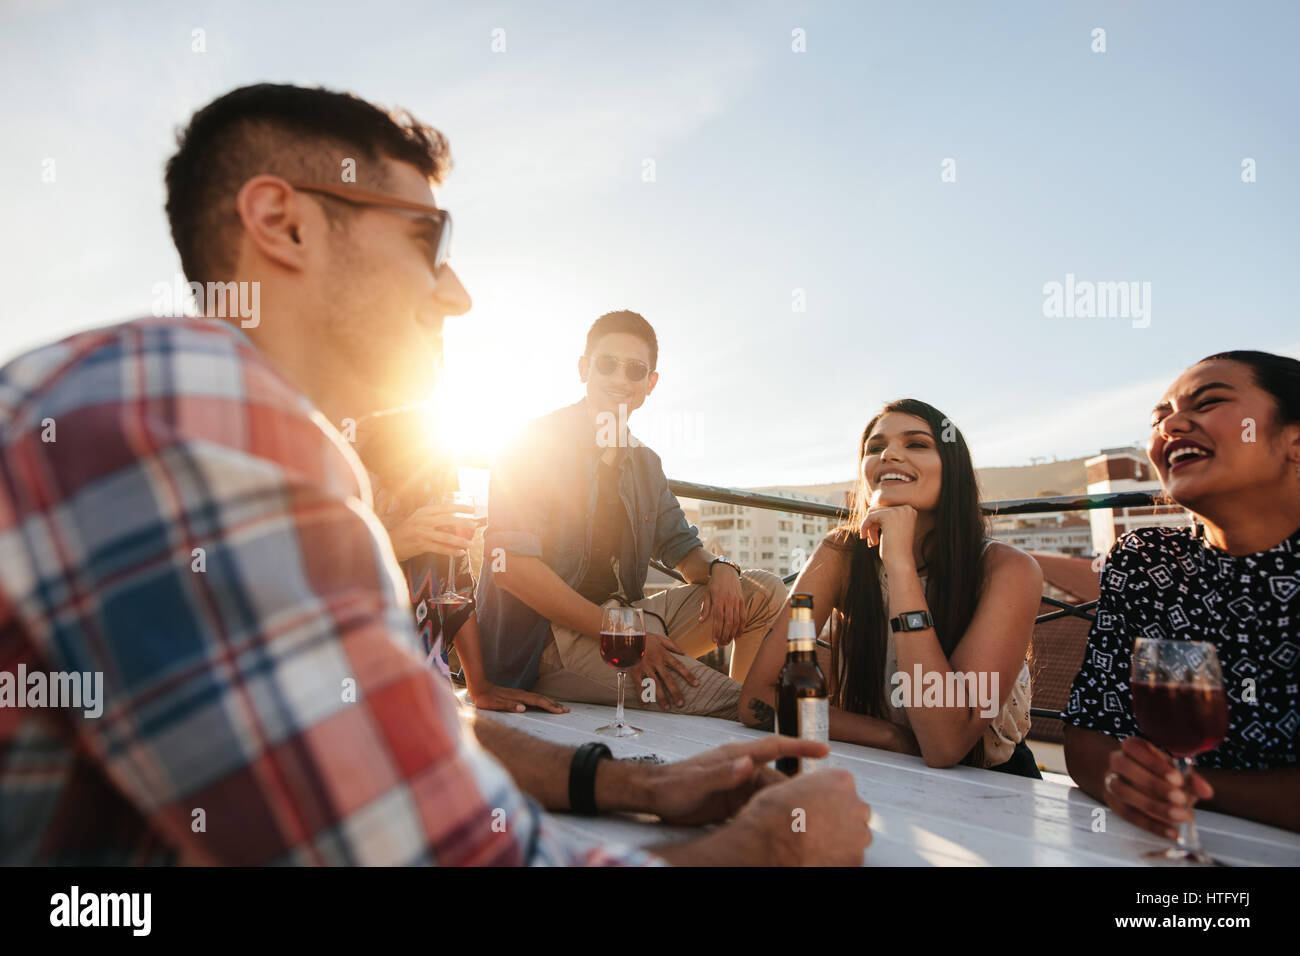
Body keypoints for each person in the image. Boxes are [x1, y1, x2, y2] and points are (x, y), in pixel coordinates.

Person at [0, 83, 873, 865]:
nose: (456, 293)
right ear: (285, 223)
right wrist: (769, 850)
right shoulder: (176, 422)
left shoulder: (221, 420)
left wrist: (629, 785)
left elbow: (392, 728)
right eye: (427, 237)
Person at [475, 310, 786, 719]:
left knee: (763, 591)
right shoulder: (533, 443)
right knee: (728, 701)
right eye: (607, 364)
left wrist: (722, 567)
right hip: (544, 643)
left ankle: (748, 711)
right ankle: (747, 714)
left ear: (650, 384)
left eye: (636, 370)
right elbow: (510, 569)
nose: (621, 379)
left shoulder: (646, 464)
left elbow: (684, 549)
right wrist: (624, 638)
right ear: (584, 368)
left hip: (627, 621)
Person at [739, 399, 1045, 776]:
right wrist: (891, 737)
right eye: (874, 447)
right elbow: (758, 695)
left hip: (991, 786)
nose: (889, 454)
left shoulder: (1007, 570)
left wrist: (899, 566)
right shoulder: (841, 553)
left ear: (953, 471)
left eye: (916, 444)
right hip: (876, 763)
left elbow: (945, 744)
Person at [1063, 350, 1300, 834]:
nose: (1170, 427)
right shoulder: (1147, 560)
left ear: (1294, 440)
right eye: (1159, 418)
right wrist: (1121, 783)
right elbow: (1089, 736)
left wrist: (1182, 787)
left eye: (1208, 402)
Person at [357, 404, 566, 713]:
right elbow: (312, 573)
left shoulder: (437, 460)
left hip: (431, 692)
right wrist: (392, 544)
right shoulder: (344, 452)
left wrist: (478, 685)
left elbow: (455, 582)